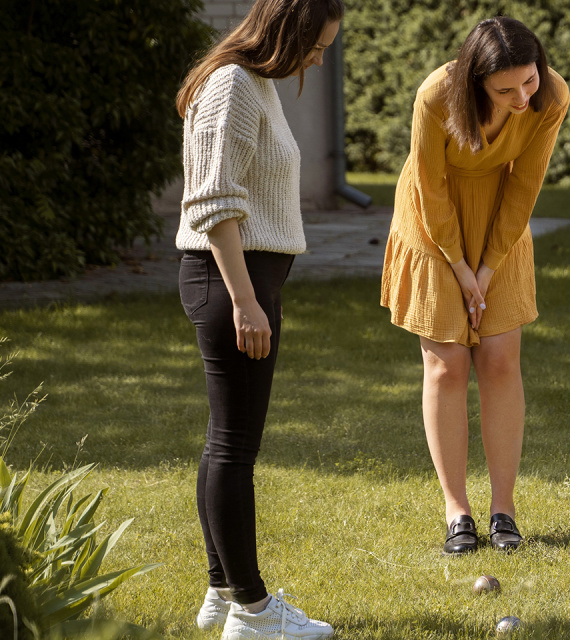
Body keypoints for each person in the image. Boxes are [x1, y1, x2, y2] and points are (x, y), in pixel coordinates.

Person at [175, 0, 343, 637]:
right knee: (234, 448)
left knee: (225, 440)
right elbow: (213, 200)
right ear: (289, 31)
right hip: (230, 283)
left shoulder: (256, 84)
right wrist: (246, 301)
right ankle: (252, 610)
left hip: (245, 281)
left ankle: (223, 593)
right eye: (318, 44)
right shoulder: (233, 86)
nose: (320, 57)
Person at [380, 17, 570, 556]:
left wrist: (486, 268)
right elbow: (429, 184)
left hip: (499, 220)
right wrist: (461, 268)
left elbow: (526, 184)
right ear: (475, 81)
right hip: (431, 218)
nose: (520, 97)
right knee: (446, 363)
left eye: (528, 81)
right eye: (505, 89)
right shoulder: (436, 96)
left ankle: (503, 510)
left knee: (500, 358)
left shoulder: (550, 97)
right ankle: (457, 511)